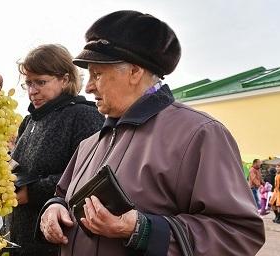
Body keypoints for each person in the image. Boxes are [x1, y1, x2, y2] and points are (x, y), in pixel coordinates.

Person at [38, 10, 264, 255]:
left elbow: (239, 234)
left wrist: (142, 229)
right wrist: (54, 207)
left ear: (135, 72)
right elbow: (61, 194)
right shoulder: (91, 142)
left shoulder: (199, 134)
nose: (89, 86)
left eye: (98, 74)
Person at [8, 44, 104, 255]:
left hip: (58, 241)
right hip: (21, 235)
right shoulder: (29, 121)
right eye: (29, 83)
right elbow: (21, 168)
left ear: (65, 79)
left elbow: (91, 178)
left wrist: (32, 193)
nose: (33, 91)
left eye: (40, 82)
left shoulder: (84, 116)